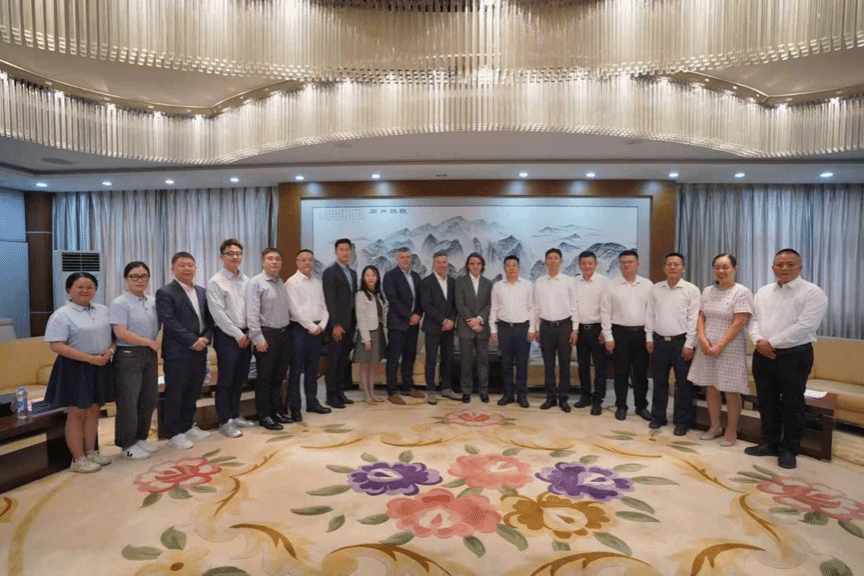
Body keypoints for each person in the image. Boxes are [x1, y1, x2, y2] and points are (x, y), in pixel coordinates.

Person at [746, 248, 827, 469]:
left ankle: (789, 449)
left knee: (793, 403)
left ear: (800, 267)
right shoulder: (763, 292)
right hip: (763, 354)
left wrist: (771, 342)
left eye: (790, 264)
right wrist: (759, 341)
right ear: (772, 267)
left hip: (795, 355)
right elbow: (754, 320)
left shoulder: (813, 293)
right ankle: (769, 443)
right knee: (766, 401)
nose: (784, 268)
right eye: (779, 264)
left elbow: (805, 326)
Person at [44, 272, 115, 473]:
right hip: (75, 367)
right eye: (80, 287)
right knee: (77, 413)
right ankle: (77, 459)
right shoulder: (61, 314)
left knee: (94, 410)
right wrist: (90, 359)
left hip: (100, 365)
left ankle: (91, 451)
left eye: (90, 287)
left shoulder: (104, 310)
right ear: (69, 289)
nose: (85, 290)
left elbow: (114, 337)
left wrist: (110, 350)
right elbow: (56, 345)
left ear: (95, 290)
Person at [688, 253, 753, 447]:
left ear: (735, 268)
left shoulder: (742, 292)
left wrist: (720, 345)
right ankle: (714, 426)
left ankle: (731, 430)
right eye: (717, 267)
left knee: (731, 390)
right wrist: (701, 338)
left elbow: (739, 322)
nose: (721, 271)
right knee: (711, 386)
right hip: (707, 346)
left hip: (729, 347)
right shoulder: (708, 291)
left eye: (725, 267)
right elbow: (701, 316)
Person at [156, 252, 214, 450]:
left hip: (200, 350)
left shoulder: (202, 292)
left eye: (190, 265)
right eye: (182, 265)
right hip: (177, 352)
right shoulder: (165, 292)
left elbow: (209, 320)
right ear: (173, 269)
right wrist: (192, 340)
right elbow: (169, 322)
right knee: (176, 393)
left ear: (196, 268)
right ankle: (173, 433)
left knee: (193, 391)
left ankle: (188, 426)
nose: (187, 268)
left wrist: (205, 338)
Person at [645, 253, 700, 434]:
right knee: (659, 381)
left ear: (683, 268)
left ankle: (682, 421)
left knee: (683, 384)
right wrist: (649, 337)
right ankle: (658, 417)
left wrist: (690, 344)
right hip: (659, 342)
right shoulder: (656, 288)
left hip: (681, 343)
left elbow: (693, 319)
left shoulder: (691, 290)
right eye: (669, 264)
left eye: (677, 264)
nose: (673, 267)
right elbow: (650, 314)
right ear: (664, 268)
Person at [110, 262, 161, 460]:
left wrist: (153, 344)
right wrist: (149, 342)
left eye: (144, 276)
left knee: (149, 399)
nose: (140, 280)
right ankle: (127, 444)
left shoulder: (153, 301)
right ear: (126, 279)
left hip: (149, 354)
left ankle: (141, 438)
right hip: (128, 355)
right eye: (134, 276)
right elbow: (120, 333)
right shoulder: (120, 303)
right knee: (128, 402)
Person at [207, 239, 254, 438]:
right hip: (227, 336)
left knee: (240, 378)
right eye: (230, 253)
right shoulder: (216, 282)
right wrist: (237, 334)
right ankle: (224, 420)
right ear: (221, 256)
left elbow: (252, 308)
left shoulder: (247, 280)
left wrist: (249, 332)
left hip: (246, 334)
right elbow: (218, 314)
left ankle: (235, 414)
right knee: (226, 379)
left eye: (238, 253)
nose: (235, 257)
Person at [601, 249, 652, 421]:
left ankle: (641, 406)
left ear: (637, 264)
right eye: (623, 262)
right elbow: (605, 312)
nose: (627, 265)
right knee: (621, 372)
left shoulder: (647, 285)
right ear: (620, 265)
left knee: (640, 374)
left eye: (630, 262)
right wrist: (608, 336)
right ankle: (621, 406)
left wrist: (649, 337)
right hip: (619, 334)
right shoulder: (611, 285)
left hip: (641, 334)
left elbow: (651, 313)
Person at [246, 247, 294, 431]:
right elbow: (252, 314)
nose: (274, 262)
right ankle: (264, 415)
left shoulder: (280, 282)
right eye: (270, 258)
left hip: (283, 335)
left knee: (278, 377)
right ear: (263, 262)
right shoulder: (255, 283)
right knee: (265, 378)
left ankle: (276, 411)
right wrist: (257, 338)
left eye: (277, 259)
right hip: (266, 336)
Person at [286, 249, 332, 416]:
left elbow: (325, 306)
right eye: (303, 260)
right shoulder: (291, 283)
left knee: (313, 369)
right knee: (296, 370)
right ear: (297, 262)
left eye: (310, 260)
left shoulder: (317, 283)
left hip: (318, 330)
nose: (307, 263)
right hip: (299, 330)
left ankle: (312, 402)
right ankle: (295, 408)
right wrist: (312, 327)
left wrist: (322, 325)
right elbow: (295, 310)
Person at [534, 248, 579, 413]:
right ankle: (551, 397)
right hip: (546, 327)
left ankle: (564, 398)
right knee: (549, 364)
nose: (553, 261)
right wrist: (535, 328)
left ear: (561, 261)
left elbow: (574, 306)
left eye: (556, 258)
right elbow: (535, 307)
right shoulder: (539, 282)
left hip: (565, 327)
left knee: (565, 364)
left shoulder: (569, 281)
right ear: (545, 261)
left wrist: (575, 329)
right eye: (550, 258)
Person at [490, 255, 535, 408]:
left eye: (514, 265)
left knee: (522, 364)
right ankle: (508, 394)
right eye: (508, 266)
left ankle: (522, 395)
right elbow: (494, 308)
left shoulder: (528, 285)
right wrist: (493, 329)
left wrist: (532, 329)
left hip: (522, 328)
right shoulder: (498, 286)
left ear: (518, 268)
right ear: (504, 268)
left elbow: (532, 308)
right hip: (504, 328)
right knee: (506, 364)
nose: (511, 268)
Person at [383, 247, 425, 404]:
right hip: (397, 324)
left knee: (409, 357)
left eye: (408, 257)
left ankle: (407, 387)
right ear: (397, 259)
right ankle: (392, 391)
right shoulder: (390, 275)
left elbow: (421, 299)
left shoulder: (416, 276)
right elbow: (393, 300)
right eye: (402, 257)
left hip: (413, 324)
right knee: (394, 358)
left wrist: (418, 314)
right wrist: (410, 316)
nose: (405, 259)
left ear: (411, 258)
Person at [321, 238, 358, 409]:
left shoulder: (353, 273)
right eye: (341, 249)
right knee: (334, 361)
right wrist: (335, 324)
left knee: (343, 361)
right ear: (336, 252)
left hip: (350, 325)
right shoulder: (330, 272)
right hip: (337, 326)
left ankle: (340, 392)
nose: (345, 252)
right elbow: (330, 300)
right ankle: (331, 396)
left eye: (347, 250)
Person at [572, 251, 609, 416]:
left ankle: (598, 400)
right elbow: (573, 307)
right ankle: (585, 396)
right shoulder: (574, 282)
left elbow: (608, 308)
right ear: (579, 265)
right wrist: (574, 330)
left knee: (600, 367)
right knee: (583, 366)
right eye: (583, 263)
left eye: (590, 263)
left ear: (595, 264)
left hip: (598, 330)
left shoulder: (604, 282)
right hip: (580, 330)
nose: (586, 266)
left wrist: (605, 330)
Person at [420, 252, 459, 404]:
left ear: (447, 264)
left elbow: (456, 305)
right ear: (433, 264)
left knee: (447, 358)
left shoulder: (453, 282)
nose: (442, 265)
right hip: (432, 327)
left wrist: (451, 320)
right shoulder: (426, 282)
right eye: (438, 262)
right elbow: (426, 305)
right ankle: (430, 390)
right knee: (431, 360)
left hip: (449, 328)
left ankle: (446, 388)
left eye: (444, 262)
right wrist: (443, 321)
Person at [455, 252, 494, 403]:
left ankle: (484, 390)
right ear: (468, 266)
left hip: (482, 328)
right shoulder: (460, 281)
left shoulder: (488, 283)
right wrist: (471, 321)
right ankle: (466, 391)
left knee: (483, 361)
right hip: (465, 327)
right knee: (466, 361)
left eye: (478, 263)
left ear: (482, 265)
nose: (475, 266)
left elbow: (489, 304)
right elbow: (460, 303)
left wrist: (479, 320)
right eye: (472, 263)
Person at [355, 265, 387, 404]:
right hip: (367, 333)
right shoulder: (360, 295)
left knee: (373, 365)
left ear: (377, 277)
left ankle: (372, 392)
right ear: (363, 278)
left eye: (373, 275)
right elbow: (361, 318)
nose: (370, 278)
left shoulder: (379, 294)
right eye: (367, 275)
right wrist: (366, 339)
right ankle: (366, 394)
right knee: (364, 365)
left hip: (378, 331)